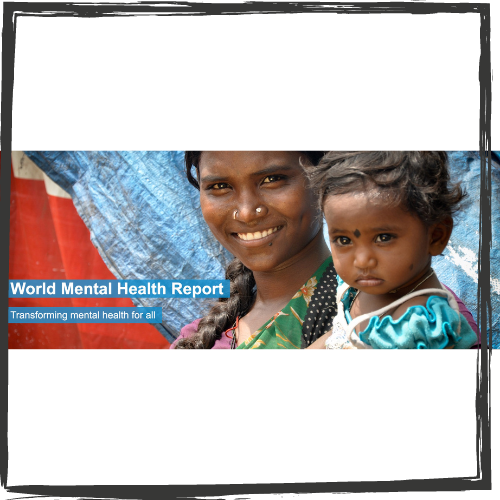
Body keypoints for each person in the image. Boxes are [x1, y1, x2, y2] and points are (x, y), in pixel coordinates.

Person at [307, 151, 478, 349]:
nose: (361, 261)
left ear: (436, 236)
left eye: (383, 238)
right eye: (344, 240)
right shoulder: (357, 286)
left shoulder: (418, 326)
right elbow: (336, 336)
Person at [172, 151, 338, 349]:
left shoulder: (367, 314)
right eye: (220, 186)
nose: (246, 213)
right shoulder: (196, 342)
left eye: (271, 179)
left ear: (325, 180)